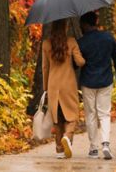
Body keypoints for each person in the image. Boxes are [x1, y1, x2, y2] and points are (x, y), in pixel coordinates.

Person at [78, 11, 116, 160]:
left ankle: (93, 149)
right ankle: (105, 144)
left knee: (90, 114)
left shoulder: (82, 42)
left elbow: (76, 63)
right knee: (104, 114)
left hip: (88, 82)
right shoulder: (108, 38)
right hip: (105, 81)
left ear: (85, 24)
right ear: (96, 22)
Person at [42, 19, 85, 159]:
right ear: (66, 27)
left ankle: (60, 150)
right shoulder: (71, 41)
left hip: (53, 85)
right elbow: (80, 62)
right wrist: (81, 58)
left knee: (58, 118)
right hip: (68, 85)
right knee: (72, 116)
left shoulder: (46, 44)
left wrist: (45, 88)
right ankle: (67, 137)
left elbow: (45, 68)